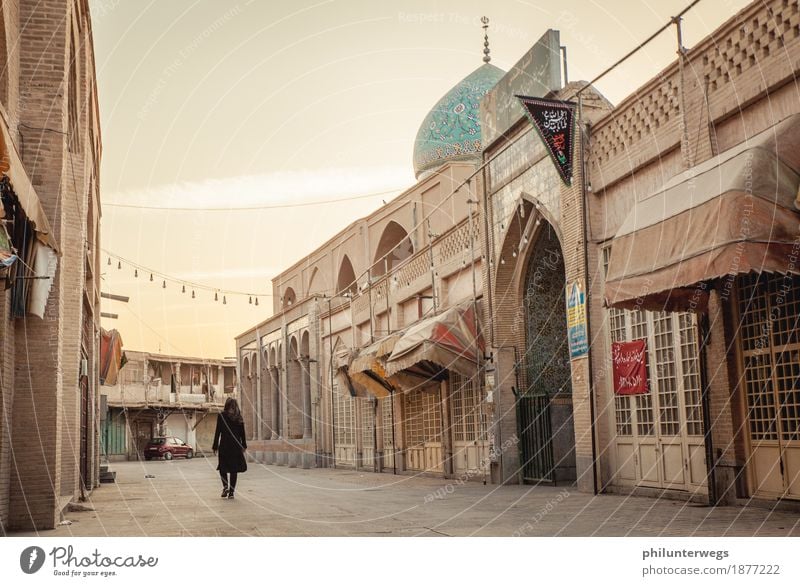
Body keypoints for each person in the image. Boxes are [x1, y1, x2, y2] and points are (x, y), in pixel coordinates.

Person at [212, 397, 247, 499]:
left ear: (226, 406)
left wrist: (215, 446)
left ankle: (225, 486)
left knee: (222, 467)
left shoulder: (221, 416)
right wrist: (243, 445)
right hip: (236, 446)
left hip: (224, 445)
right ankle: (231, 492)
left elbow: (218, 431)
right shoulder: (239, 417)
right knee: (233, 469)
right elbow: (242, 434)